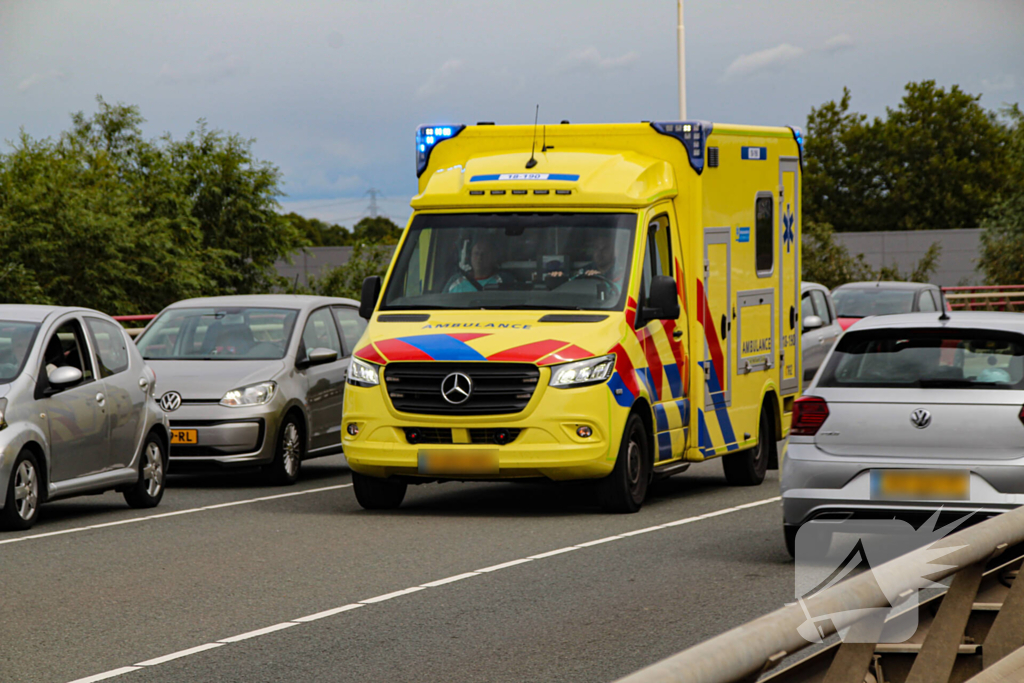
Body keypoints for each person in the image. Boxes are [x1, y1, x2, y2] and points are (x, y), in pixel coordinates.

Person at [546, 231, 625, 294]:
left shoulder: (621, 273)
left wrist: (601, 280)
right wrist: (560, 280)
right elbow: (572, 285)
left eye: (605, 249)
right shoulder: (584, 270)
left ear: (615, 251)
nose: (599, 252)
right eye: (596, 248)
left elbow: (619, 294)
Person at [446, 238, 511, 292]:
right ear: (470, 257)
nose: (479, 257)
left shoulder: (504, 281)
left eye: (484, 254)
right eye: (476, 253)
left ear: (493, 258)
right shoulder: (456, 282)